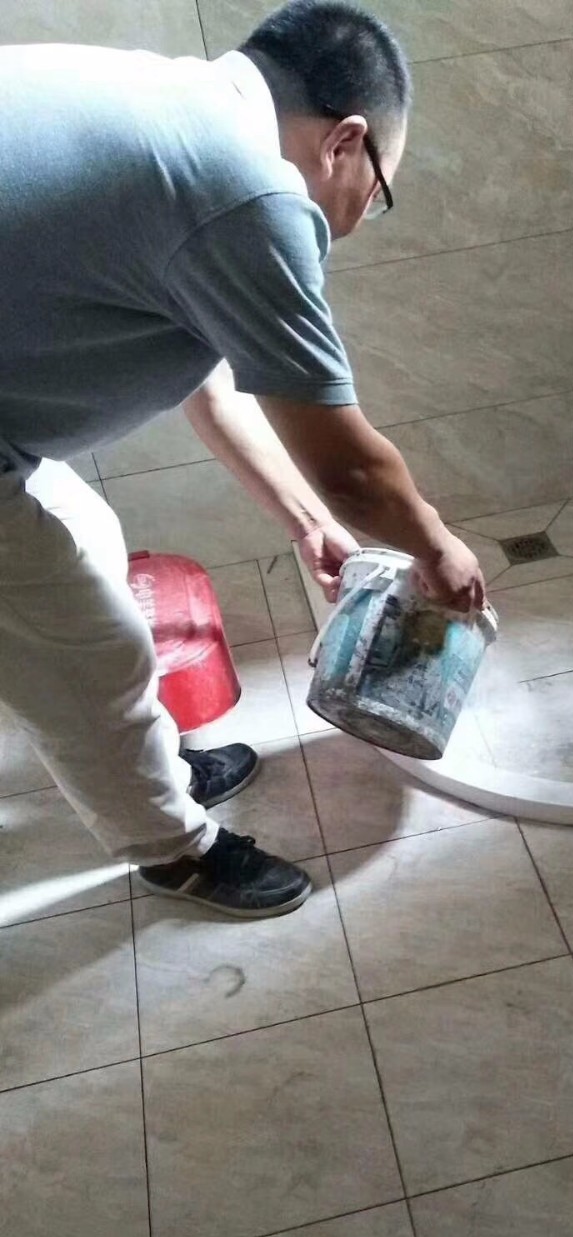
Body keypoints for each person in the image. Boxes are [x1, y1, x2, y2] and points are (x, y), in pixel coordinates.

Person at [0, 0, 485, 918]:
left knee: (86, 542)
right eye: (378, 190)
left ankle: (151, 768)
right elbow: (352, 468)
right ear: (345, 143)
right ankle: (175, 851)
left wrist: (307, 523)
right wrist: (436, 548)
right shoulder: (249, 191)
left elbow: (212, 385)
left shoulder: (177, 115)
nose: (362, 216)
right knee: (83, 651)